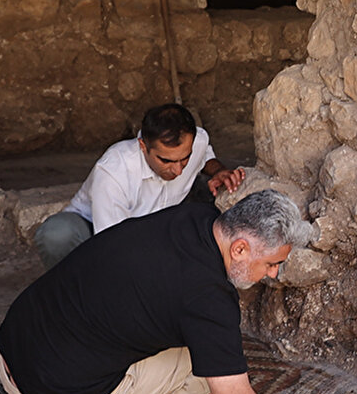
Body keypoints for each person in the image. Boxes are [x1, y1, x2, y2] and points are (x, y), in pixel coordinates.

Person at [0, 190, 351, 394]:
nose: (273, 274)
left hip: (13, 350)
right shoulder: (209, 299)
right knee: (205, 373)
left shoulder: (195, 217)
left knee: (190, 349)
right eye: (271, 263)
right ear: (240, 248)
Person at [34, 103, 245, 270]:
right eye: (166, 161)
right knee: (58, 235)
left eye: (185, 159)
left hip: (155, 225)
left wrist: (218, 171)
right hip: (96, 232)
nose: (178, 170)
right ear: (143, 145)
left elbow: (204, 154)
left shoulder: (196, 141)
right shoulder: (113, 171)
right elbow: (114, 246)